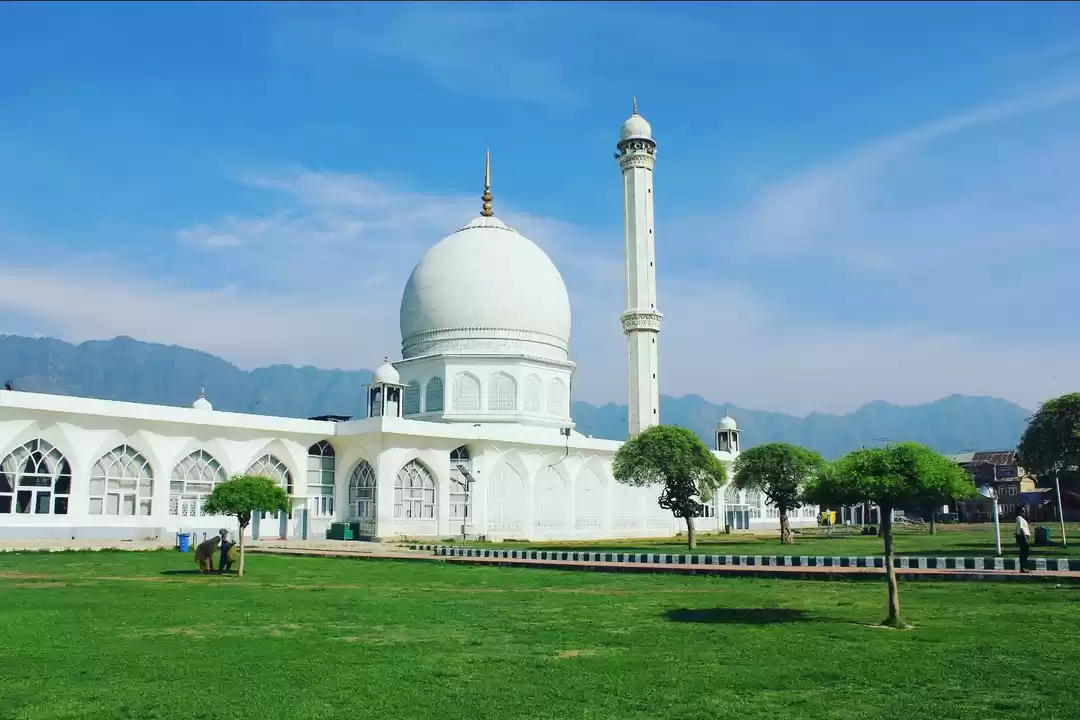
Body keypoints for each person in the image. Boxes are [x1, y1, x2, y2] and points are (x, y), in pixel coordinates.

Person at [1015, 505, 1032, 573]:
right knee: (1024, 553)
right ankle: (1023, 568)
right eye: (1022, 511)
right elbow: (1021, 529)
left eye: (1024, 510)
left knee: (1025, 552)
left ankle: (1024, 567)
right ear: (1019, 511)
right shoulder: (1019, 518)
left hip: (1025, 536)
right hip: (1023, 537)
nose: (1024, 512)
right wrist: (1025, 539)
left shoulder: (1022, 518)